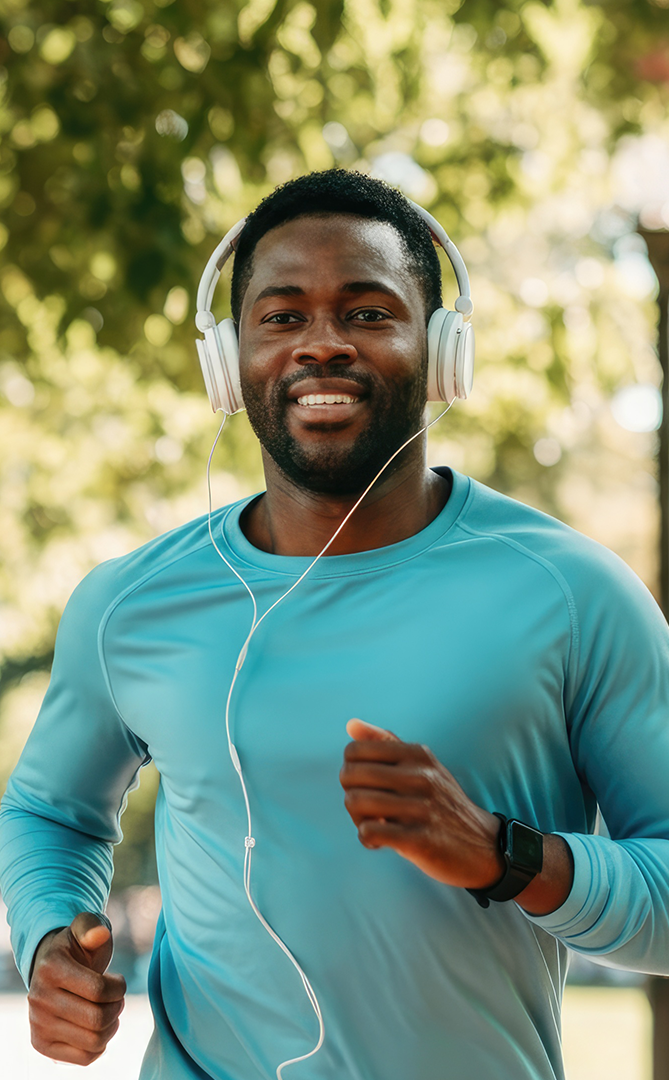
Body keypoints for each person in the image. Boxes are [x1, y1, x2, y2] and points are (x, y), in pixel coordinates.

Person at [1, 169, 668, 1080]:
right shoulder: (130, 602)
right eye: (281, 317)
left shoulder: (571, 592)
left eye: (366, 313)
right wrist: (48, 941)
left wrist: (501, 854)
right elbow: (49, 810)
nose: (322, 346)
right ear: (228, 360)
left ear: (440, 350)